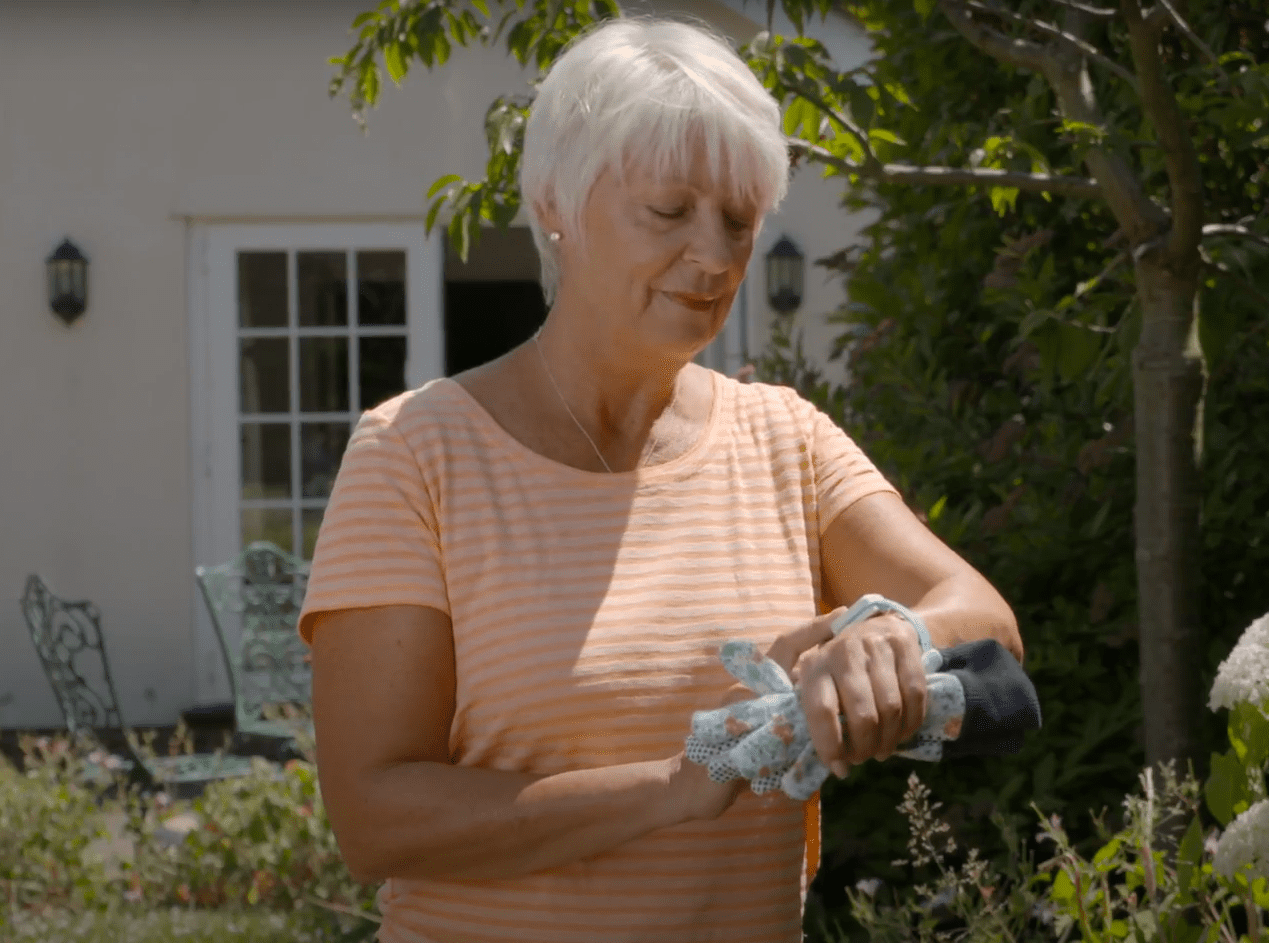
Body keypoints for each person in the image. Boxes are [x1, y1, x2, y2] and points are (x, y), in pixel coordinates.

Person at [300, 15, 1022, 943]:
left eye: (737, 219)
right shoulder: (414, 453)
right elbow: (376, 817)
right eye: (669, 210)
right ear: (556, 201)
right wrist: (676, 786)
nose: (715, 256)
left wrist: (889, 628)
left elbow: (985, 622)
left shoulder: (782, 438)